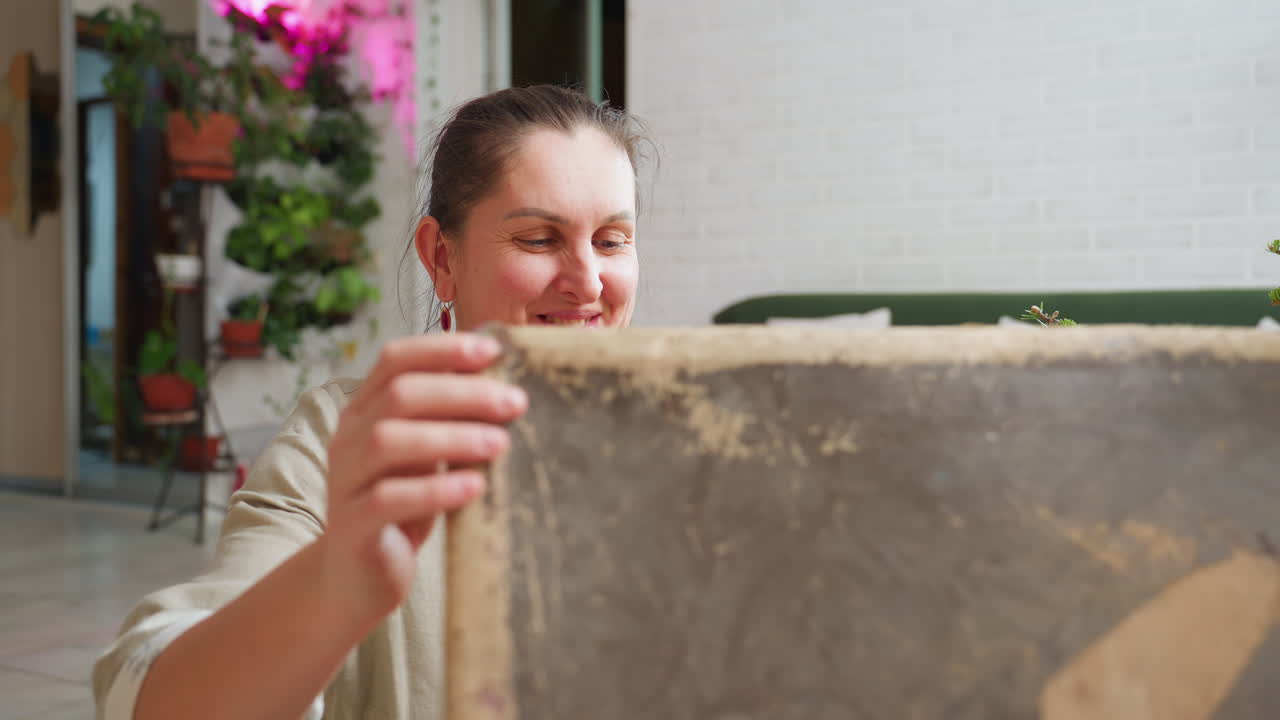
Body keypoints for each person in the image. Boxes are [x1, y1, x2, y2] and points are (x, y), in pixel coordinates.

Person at [92, 84, 652, 720]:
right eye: (537, 238)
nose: (587, 282)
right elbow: (155, 697)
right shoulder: (348, 443)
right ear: (443, 258)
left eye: (611, 241)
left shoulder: (686, 446)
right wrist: (335, 584)